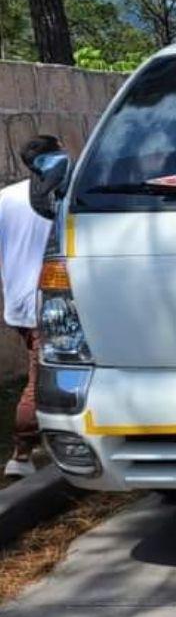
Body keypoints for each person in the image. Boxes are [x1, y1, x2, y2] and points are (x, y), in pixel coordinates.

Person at [1, 136, 59, 478]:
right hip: (48, 303)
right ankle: (21, 455)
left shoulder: (5, 198)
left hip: (19, 304)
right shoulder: (59, 196)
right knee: (39, 379)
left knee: (45, 370)